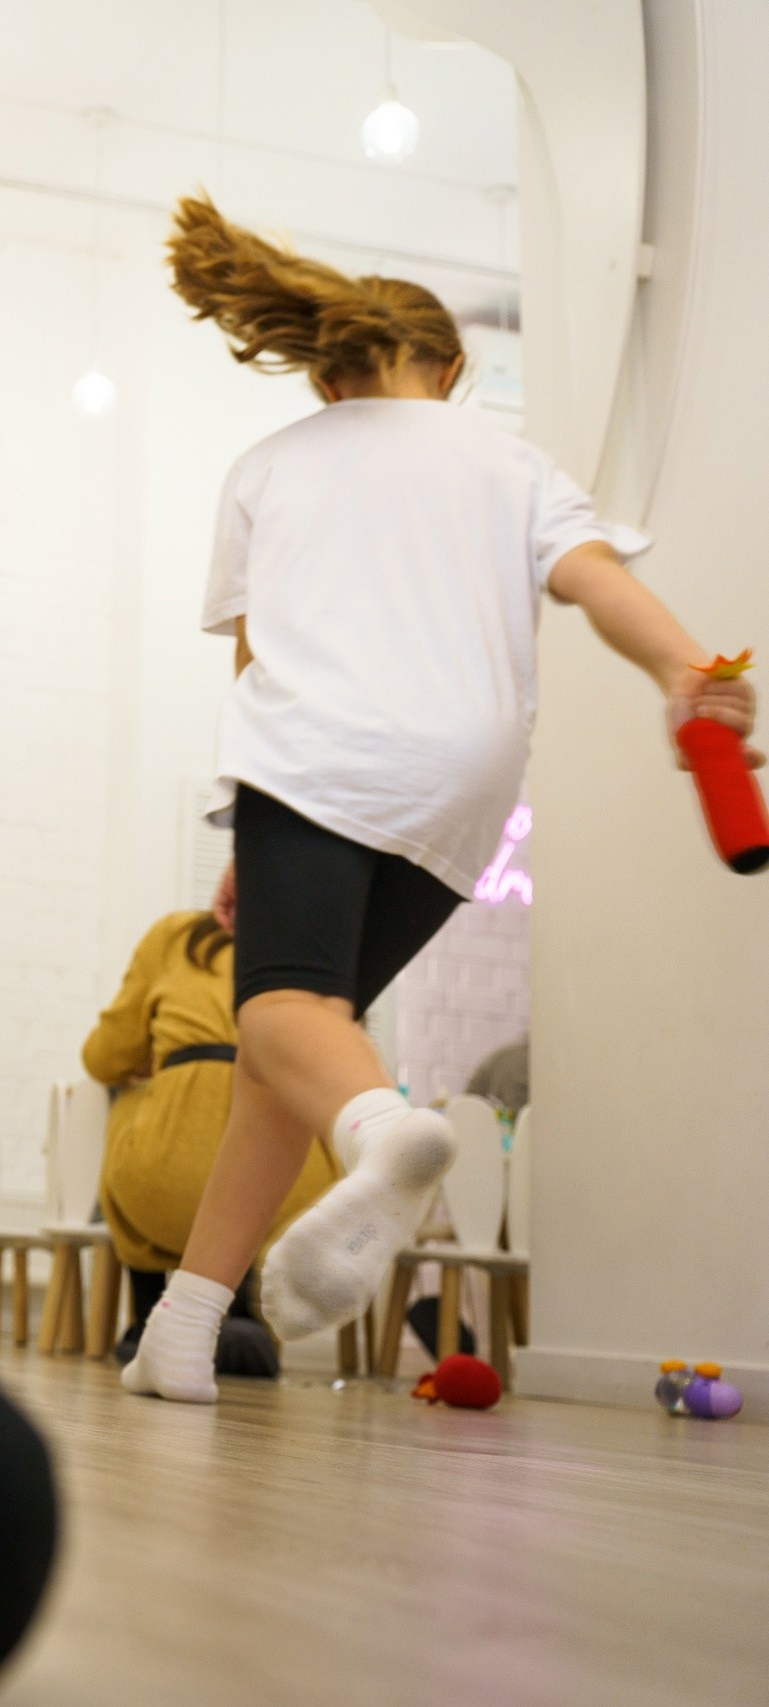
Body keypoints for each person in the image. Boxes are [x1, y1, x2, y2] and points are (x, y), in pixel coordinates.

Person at [123, 196, 758, 1404]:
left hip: (315, 759)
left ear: (324, 379)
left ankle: (383, 1132)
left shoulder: (268, 465)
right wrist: (686, 672)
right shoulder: (510, 461)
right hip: (462, 787)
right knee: (292, 1038)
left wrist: (257, 814)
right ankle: (186, 1330)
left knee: (277, 1017)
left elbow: (255, 658)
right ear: (453, 369)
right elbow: (590, 582)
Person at [81, 888, 325, 1377]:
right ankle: (237, 1310)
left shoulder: (175, 936)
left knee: (129, 1106)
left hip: (168, 1181)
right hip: (292, 1195)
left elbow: (103, 1058)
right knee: (277, 1128)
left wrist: (156, 1065)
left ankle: (149, 1313)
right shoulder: (314, 955)